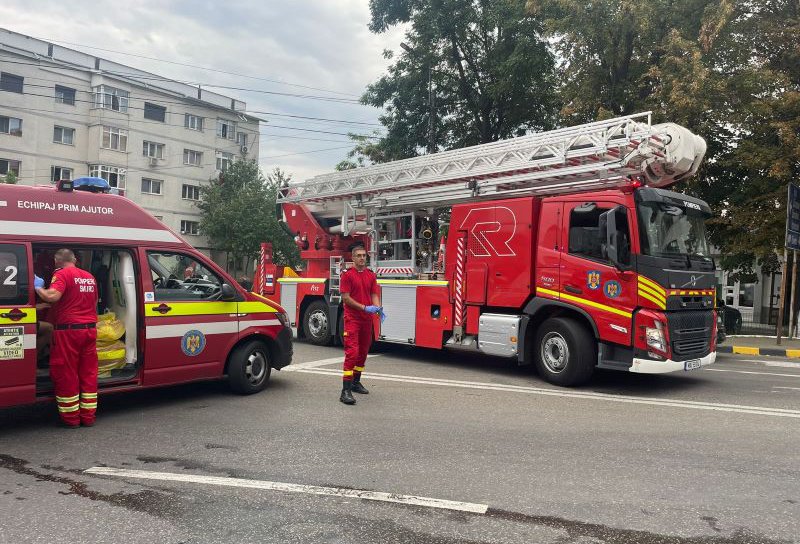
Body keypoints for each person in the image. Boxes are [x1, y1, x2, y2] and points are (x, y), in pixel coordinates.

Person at [34, 249, 99, 428]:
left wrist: (38, 286)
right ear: (75, 259)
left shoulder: (62, 274)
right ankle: (88, 417)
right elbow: (93, 304)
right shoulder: (89, 276)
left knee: (66, 372)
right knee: (88, 372)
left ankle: (71, 419)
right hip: (89, 330)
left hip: (69, 332)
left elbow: (53, 296)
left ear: (56, 261)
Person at [338, 244, 385, 405]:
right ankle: (345, 390)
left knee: (364, 351)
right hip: (353, 319)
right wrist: (365, 307)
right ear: (353, 257)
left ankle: (356, 382)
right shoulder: (347, 275)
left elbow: (374, 293)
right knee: (352, 352)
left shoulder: (370, 275)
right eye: (359, 255)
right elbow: (346, 298)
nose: (362, 258)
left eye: (364, 255)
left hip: (366, 320)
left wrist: (377, 308)